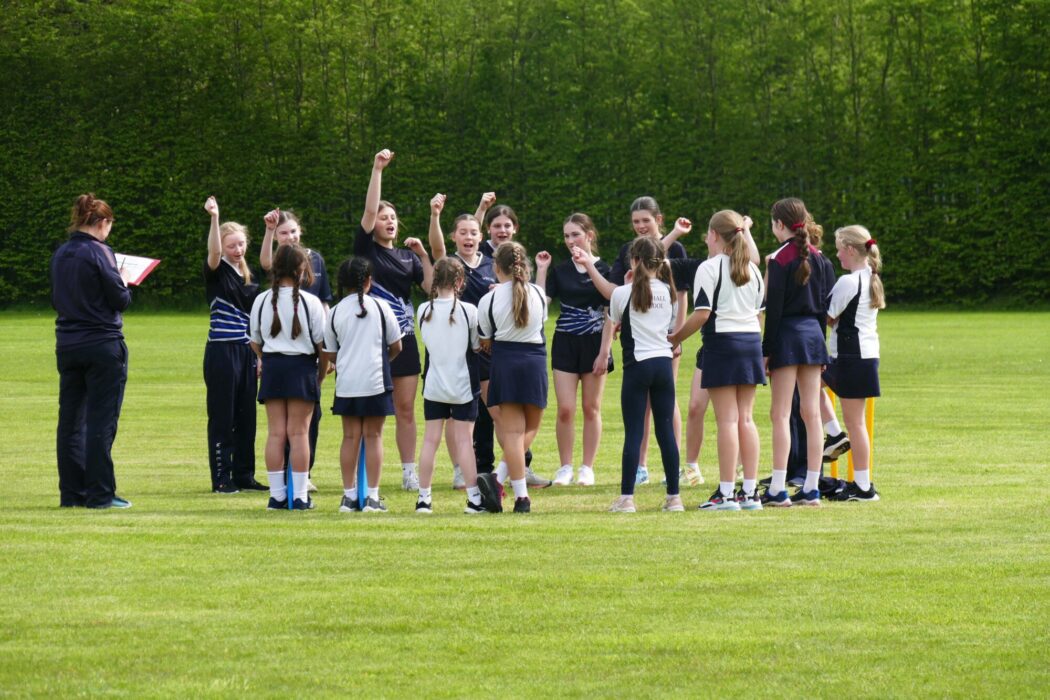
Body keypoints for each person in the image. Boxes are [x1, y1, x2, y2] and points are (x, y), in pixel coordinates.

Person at [669, 211, 766, 511]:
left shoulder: (709, 268)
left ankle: (726, 494)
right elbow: (759, 313)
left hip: (722, 344)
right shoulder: (754, 269)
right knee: (746, 419)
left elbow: (701, 314)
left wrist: (673, 338)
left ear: (713, 235)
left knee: (728, 420)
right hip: (750, 343)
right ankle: (749, 493)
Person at [355, 149, 434, 491]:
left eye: (393, 217)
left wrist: (424, 255)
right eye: (383, 217)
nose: (388, 221)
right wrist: (377, 169)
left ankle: (407, 472)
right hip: (370, 340)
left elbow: (432, 287)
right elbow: (370, 210)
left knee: (405, 409)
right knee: (370, 410)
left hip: (404, 339)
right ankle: (363, 473)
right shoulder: (366, 249)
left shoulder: (407, 257)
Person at [52, 193, 134, 509]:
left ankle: (72, 493)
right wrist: (125, 281)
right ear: (102, 223)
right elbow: (119, 299)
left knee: (70, 421)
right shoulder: (100, 252)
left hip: (68, 344)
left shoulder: (60, 254)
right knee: (101, 420)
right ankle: (100, 493)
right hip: (102, 343)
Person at [591, 237, 682, 513]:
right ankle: (674, 498)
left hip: (637, 366)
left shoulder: (622, 293)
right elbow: (667, 326)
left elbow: (615, 322)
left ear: (634, 260)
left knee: (634, 432)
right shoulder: (669, 291)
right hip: (663, 365)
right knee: (666, 431)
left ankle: (627, 498)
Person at [761, 197, 833, 507]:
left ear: (779, 224)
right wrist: (822, 348)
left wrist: (766, 350)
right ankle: (811, 488)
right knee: (812, 414)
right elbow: (823, 308)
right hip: (813, 337)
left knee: (780, 414)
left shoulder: (778, 259)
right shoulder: (819, 257)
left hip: (787, 337)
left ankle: (778, 487)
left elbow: (773, 310)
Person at [534, 213, 613, 487]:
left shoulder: (606, 269)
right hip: (566, 343)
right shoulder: (561, 271)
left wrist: (605, 352)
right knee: (565, 409)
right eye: (566, 235)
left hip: (595, 344)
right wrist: (542, 271)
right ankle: (565, 466)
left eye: (575, 234)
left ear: (589, 235)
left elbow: (611, 308)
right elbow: (539, 307)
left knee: (591, 408)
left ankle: (587, 468)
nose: (570, 240)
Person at [427, 194, 498, 489]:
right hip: (453, 351)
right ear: (454, 236)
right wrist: (435, 216)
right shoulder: (450, 264)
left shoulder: (491, 264)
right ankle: (460, 469)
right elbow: (436, 248)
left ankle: (502, 467)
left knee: (492, 409)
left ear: (480, 237)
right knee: (456, 415)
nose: (468, 237)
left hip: (485, 347)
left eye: (473, 233)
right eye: (463, 232)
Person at [260, 208, 333, 492]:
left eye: (293, 231)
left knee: (299, 422)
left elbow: (324, 301)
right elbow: (265, 263)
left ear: (300, 230)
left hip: (303, 350)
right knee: (289, 428)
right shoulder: (276, 273)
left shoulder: (315, 260)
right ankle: (291, 484)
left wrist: (328, 349)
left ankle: (295, 480)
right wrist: (268, 231)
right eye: (283, 233)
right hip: (296, 354)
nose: (290, 237)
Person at [249, 245, 328, 510]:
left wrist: (268, 359)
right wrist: (319, 375)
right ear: (301, 269)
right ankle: (301, 496)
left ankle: (277, 496)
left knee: (276, 434)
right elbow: (322, 347)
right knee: (299, 434)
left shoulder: (261, 300)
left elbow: (254, 341)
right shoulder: (312, 302)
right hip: (302, 368)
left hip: (273, 368)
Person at [323, 257, 403, 513]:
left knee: (350, 437)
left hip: (347, 383)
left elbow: (331, 354)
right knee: (374, 436)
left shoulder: (334, 312)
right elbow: (397, 346)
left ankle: (348, 497)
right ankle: (372, 497)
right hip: (376, 381)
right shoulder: (381, 307)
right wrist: (382, 362)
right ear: (368, 281)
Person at [475, 242, 549, 513]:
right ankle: (511, 489)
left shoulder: (489, 299)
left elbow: (484, 339)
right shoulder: (539, 294)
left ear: (496, 268)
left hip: (505, 362)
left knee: (515, 434)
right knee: (528, 431)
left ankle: (511, 489)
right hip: (534, 362)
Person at [202, 196, 264, 494]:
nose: (237, 250)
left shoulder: (248, 274)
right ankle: (221, 478)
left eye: (240, 245)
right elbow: (213, 251)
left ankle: (244, 475)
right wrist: (215, 217)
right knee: (223, 416)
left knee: (246, 416)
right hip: (222, 351)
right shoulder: (217, 270)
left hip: (246, 351)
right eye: (232, 246)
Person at [415, 257, 485, 513]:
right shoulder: (470, 310)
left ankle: (424, 498)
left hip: (434, 385)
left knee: (430, 440)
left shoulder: (423, 309)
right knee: (465, 442)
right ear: (459, 282)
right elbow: (477, 346)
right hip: (463, 385)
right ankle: (474, 499)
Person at [824, 225, 884, 502]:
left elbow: (827, 316)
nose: (837, 255)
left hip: (851, 355)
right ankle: (860, 482)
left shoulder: (849, 282)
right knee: (857, 423)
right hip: (865, 355)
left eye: (838, 250)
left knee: (855, 422)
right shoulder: (870, 276)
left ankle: (861, 484)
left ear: (850, 250)